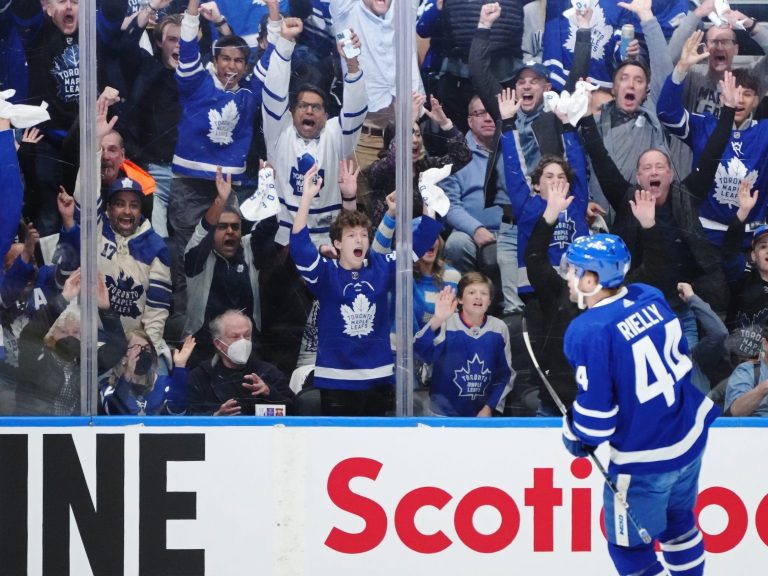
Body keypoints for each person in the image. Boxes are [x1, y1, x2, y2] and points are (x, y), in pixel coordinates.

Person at [561, 233, 719, 576]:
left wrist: (573, 435)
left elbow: (596, 425)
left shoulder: (587, 330)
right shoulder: (649, 295)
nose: (568, 277)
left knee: (627, 546)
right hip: (689, 435)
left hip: (646, 456)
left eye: (574, 271)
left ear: (592, 279)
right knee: (679, 523)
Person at [290, 164, 442, 416]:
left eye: (363, 235)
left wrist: (427, 195)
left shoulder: (381, 267)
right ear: (337, 244)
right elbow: (299, 244)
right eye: (351, 236)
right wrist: (306, 196)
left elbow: (424, 237)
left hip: (379, 379)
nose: (359, 239)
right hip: (336, 381)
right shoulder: (326, 274)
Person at [183, 166, 277, 362]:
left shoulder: (248, 248)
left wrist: (268, 187)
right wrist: (220, 201)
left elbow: (267, 227)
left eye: (235, 227)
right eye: (222, 227)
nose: (230, 232)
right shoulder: (198, 258)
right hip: (204, 348)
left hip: (246, 344)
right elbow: (202, 233)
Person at [414, 273, 515, 417]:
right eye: (472, 292)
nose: (478, 297)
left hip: (480, 417)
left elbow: (504, 375)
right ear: (460, 299)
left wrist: (489, 407)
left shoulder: (499, 328)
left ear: (489, 301)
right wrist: (437, 319)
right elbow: (419, 352)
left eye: (484, 293)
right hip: (441, 415)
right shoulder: (446, 322)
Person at [187, 309, 294, 415]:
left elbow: (294, 412)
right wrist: (215, 416)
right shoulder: (201, 375)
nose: (243, 341)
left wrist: (269, 392)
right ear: (218, 344)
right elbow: (187, 417)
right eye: (235, 337)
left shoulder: (268, 372)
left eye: (247, 335)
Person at [100, 331, 196, 415]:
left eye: (147, 349)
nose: (144, 353)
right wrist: (128, 374)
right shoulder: (109, 386)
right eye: (137, 349)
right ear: (123, 357)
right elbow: (114, 412)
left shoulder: (163, 383)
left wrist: (179, 366)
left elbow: (177, 411)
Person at [724, 326, 768, 417]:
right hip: (756, 428)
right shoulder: (748, 370)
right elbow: (735, 412)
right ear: (765, 344)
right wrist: (763, 388)